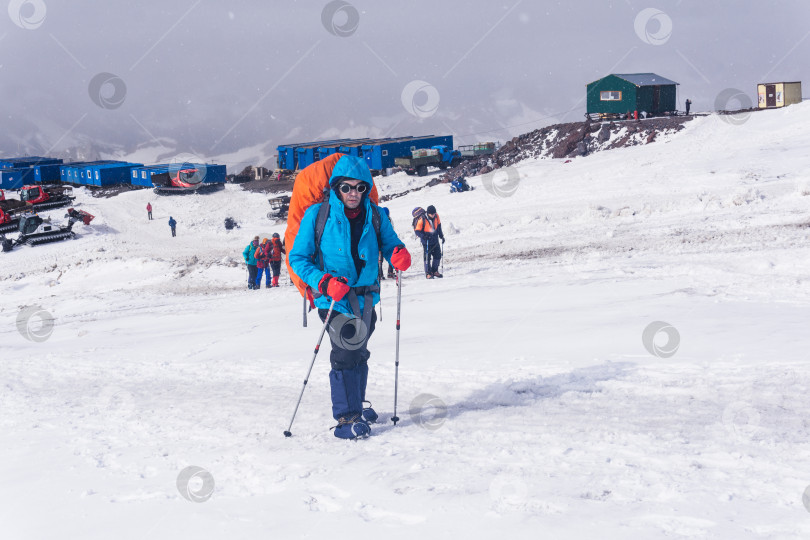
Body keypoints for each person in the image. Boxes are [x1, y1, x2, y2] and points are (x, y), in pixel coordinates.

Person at [289, 155, 411, 440]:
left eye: (359, 187)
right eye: (346, 187)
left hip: (367, 297)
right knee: (346, 351)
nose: (353, 193)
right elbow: (298, 258)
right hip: (332, 298)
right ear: (336, 188)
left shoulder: (377, 215)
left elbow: (392, 244)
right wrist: (324, 281)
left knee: (360, 350)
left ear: (367, 189)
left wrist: (399, 255)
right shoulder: (317, 215)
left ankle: (357, 404)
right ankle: (346, 417)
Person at [413, 204, 444, 278]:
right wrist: (424, 236)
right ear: (428, 213)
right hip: (426, 241)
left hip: (435, 239)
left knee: (438, 256)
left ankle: (435, 271)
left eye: (434, 213)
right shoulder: (422, 219)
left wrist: (441, 236)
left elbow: (439, 226)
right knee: (427, 257)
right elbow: (417, 231)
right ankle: (428, 273)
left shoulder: (436, 216)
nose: (433, 215)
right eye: (432, 214)